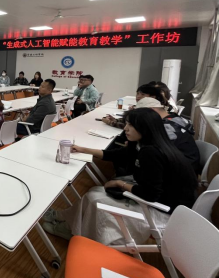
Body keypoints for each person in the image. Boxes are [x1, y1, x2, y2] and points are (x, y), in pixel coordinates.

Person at [43, 108, 198, 245]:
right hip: (164, 201)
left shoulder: (151, 153)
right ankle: (64, 218)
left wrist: (120, 184)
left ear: (145, 128)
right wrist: (83, 149)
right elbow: (115, 154)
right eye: (126, 124)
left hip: (164, 212)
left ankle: (74, 232)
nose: (125, 129)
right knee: (94, 191)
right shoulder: (146, 143)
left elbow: (150, 194)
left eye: (130, 125)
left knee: (94, 198)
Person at [102, 85, 167, 128]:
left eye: (142, 94)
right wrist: (116, 120)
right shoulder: (155, 106)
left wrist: (111, 122)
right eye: (137, 93)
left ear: (153, 97)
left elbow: (134, 128)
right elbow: (133, 122)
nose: (138, 96)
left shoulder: (150, 111)